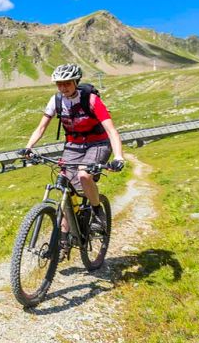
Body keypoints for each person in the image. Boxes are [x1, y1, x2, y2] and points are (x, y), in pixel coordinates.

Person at [23, 63, 125, 259]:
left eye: (67, 84)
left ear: (75, 82)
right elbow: (41, 127)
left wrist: (118, 157)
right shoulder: (56, 100)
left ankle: (97, 211)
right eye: (59, 84)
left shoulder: (91, 100)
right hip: (73, 145)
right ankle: (64, 241)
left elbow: (111, 130)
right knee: (64, 187)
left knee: (84, 175)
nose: (63, 88)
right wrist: (29, 147)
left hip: (97, 144)